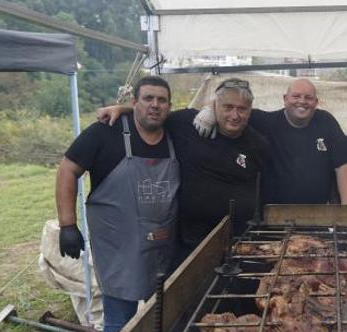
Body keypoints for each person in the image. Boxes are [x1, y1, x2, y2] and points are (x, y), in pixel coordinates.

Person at [56, 76, 178, 332]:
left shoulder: (175, 132)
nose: (155, 105)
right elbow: (68, 169)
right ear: (134, 102)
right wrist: (67, 225)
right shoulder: (105, 132)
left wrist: (122, 107)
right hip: (118, 245)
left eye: (161, 100)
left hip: (162, 241)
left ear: (169, 107)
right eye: (147, 99)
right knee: (119, 319)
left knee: (160, 314)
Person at [97, 78, 269, 263]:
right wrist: (122, 109)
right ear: (215, 105)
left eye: (242, 109)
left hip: (240, 242)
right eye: (227, 107)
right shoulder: (187, 123)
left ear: (250, 110)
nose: (235, 115)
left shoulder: (258, 143)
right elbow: (154, 114)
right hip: (191, 241)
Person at [195, 78, 347, 205]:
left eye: (308, 98)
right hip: (273, 216)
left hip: (317, 214)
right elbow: (234, 107)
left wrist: (346, 211)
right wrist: (209, 109)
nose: (302, 101)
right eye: (296, 96)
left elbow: (342, 166)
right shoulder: (265, 121)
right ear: (285, 99)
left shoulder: (326, 121)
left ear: (316, 102)